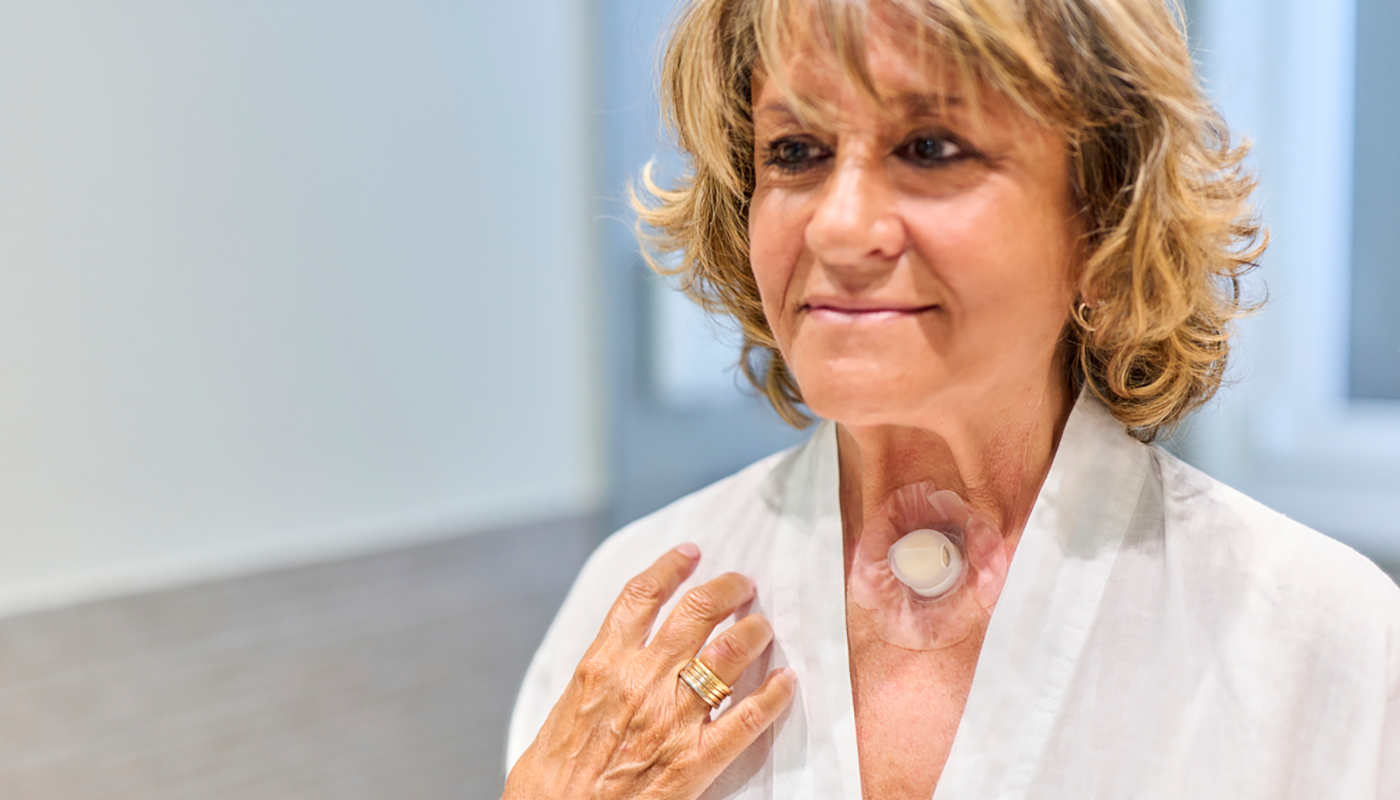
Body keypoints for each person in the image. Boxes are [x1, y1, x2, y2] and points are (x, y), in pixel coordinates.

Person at [503, 0, 1400, 797]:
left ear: (1102, 215)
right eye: (797, 152)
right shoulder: (637, 606)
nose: (840, 226)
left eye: (930, 148)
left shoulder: (1322, 642)